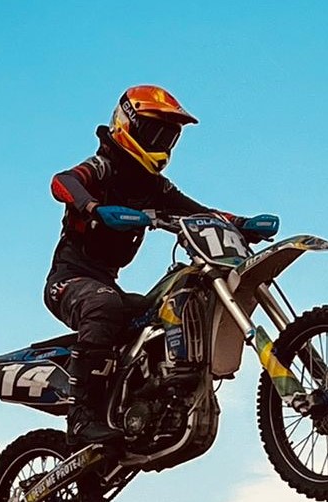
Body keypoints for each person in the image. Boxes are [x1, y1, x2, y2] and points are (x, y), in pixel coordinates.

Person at [46, 85, 277, 446]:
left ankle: (148, 402)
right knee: (104, 305)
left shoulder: (154, 187)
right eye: (155, 133)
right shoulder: (104, 167)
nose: (162, 144)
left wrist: (241, 223)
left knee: (163, 310)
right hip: (70, 279)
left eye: (169, 137)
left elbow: (199, 211)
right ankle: (80, 419)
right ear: (128, 125)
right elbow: (63, 181)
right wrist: (93, 207)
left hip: (108, 283)